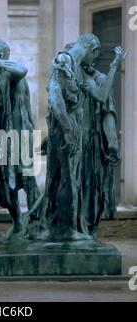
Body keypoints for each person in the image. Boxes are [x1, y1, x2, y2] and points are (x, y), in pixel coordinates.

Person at [42, 34, 103, 241]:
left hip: (71, 129)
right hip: (65, 130)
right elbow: (54, 95)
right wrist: (68, 131)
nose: (93, 61)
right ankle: (66, 229)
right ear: (91, 48)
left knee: (69, 177)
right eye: (95, 55)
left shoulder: (74, 65)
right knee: (68, 178)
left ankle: (66, 226)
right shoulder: (65, 60)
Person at [0, 39, 40, 235]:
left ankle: (37, 220)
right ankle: (17, 221)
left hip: (19, 136)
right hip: (2, 137)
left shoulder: (12, 74)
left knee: (26, 178)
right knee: (7, 185)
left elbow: (23, 69)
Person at [80, 45, 126, 235]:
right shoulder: (71, 78)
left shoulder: (99, 80)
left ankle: (90, 229)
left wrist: (112, 142)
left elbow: (108, 113)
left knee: (93, 186)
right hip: (75, 143)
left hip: (93, 143)